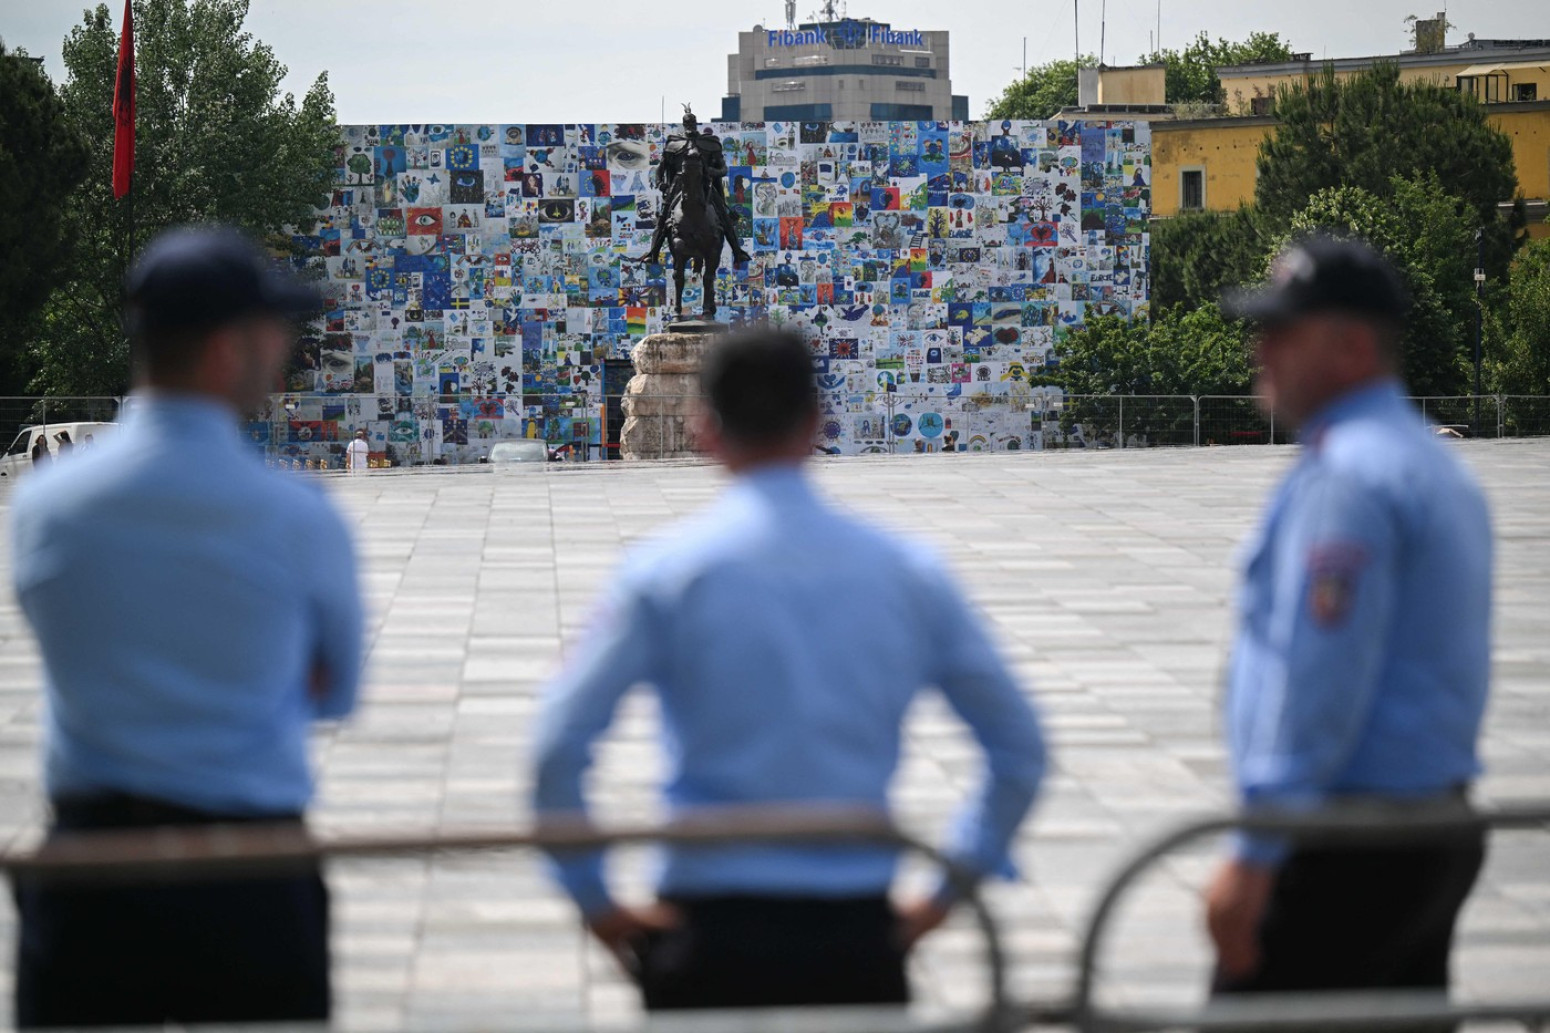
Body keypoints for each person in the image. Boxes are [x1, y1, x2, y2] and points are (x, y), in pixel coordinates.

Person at [533, 327, 1045, 1011]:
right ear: (815, 423)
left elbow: (557, 744)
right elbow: (1018, 748)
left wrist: (595, 900)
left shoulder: (665, 574)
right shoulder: (906, 571)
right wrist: (945, 893)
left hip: (708, 926)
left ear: (702, 427)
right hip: (854, 931)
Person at [8, 225, 364, 1027]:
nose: (285, 348)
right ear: (226, 347)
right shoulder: (296, 514)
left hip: (92, 869)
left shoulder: (45, 505)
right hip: (250, 871)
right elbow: (333, 686)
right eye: (272, 328)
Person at [1207, 234, 1492, 1002]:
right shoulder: (1429, 462)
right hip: (1429, 826)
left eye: (1284, 331)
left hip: (1346, 844)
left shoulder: (1349, 480)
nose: (1261, 349)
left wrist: (1255, 852)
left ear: (1353, 344)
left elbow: (1318, 679)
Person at [640, 107, 752, 267]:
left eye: (692, 122)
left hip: (704, 184)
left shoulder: (710, 143)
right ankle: (653, 253)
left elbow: (723, 169)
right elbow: (661, 168)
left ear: (696, 123)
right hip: (678, 186)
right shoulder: (673, 143)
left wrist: (710, 171)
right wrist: (661, 183)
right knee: (664, 218)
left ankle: (737, 252)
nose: (690, 125)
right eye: (688, 123)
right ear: (684, 124)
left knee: (723, 215)